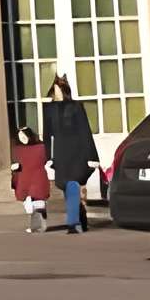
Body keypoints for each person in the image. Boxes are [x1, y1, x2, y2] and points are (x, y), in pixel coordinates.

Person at [42, 77, 101, 235]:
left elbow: (85, 130)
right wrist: (47, 157)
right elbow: (47, 135)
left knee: (73, 186)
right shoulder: (48, 109)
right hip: (61, 153)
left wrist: (92, 156)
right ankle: (80, 214)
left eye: (57, 88)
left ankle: (73, 224)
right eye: (54, 88)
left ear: (63, 89)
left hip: (77, 151)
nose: (55, 91)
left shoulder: (76, 106)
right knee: (66, 188)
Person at [10, 125, 52, 233]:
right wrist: (14, 167)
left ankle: (40, 224)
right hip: (24, 178)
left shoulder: (40, 148)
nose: (22, 139)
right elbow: (15, 162)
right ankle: (35, 224)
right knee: (28, 204)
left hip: (37, 177)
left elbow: (47, 159)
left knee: (38, 201)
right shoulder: (17, 150)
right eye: (20, 137)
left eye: (24, 137)